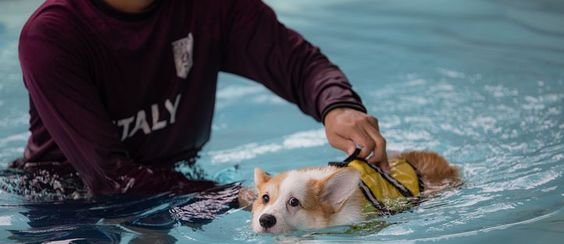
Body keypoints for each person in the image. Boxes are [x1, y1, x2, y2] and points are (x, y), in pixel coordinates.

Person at [12, 0, 389, 198]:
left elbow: (298, 63)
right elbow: (111, 179)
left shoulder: (211, 7)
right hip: (66, 207)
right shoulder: (52, 36)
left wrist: (338, 107)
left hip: (179, 181)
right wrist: (235, 198)